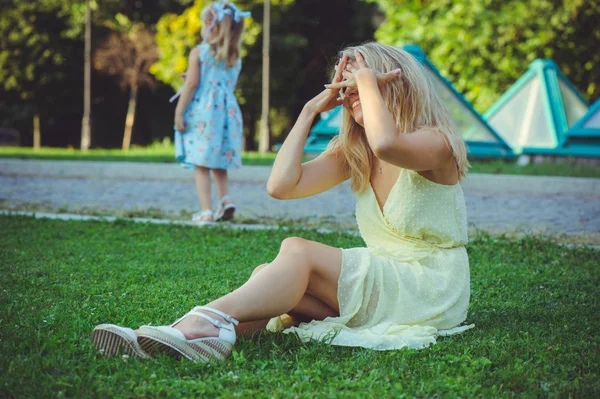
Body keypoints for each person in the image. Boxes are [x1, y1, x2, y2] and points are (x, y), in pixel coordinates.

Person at [92, 42, 474, 362]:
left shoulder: (435, 142)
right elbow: (281, 186)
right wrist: (309, 111)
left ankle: (197, 322)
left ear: (395, 83)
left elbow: (387, 143)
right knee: (268, 278)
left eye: (362, 84)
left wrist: (366, 83)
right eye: (350, 88)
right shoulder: (356, 154)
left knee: (297, 252)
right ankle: (174, 342)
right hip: (388, 280)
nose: (352, 95)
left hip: (430, 286)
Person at [172, 0, 249, 225]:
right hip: (227, 113)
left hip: (204, 114)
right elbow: (226, 85)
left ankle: (206, 211)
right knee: (219, 160)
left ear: (209, 24)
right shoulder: (234, 56)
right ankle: (225, 199)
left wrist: (179, 112)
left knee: (201, 164)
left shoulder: (199, 52)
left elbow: (193, 84)